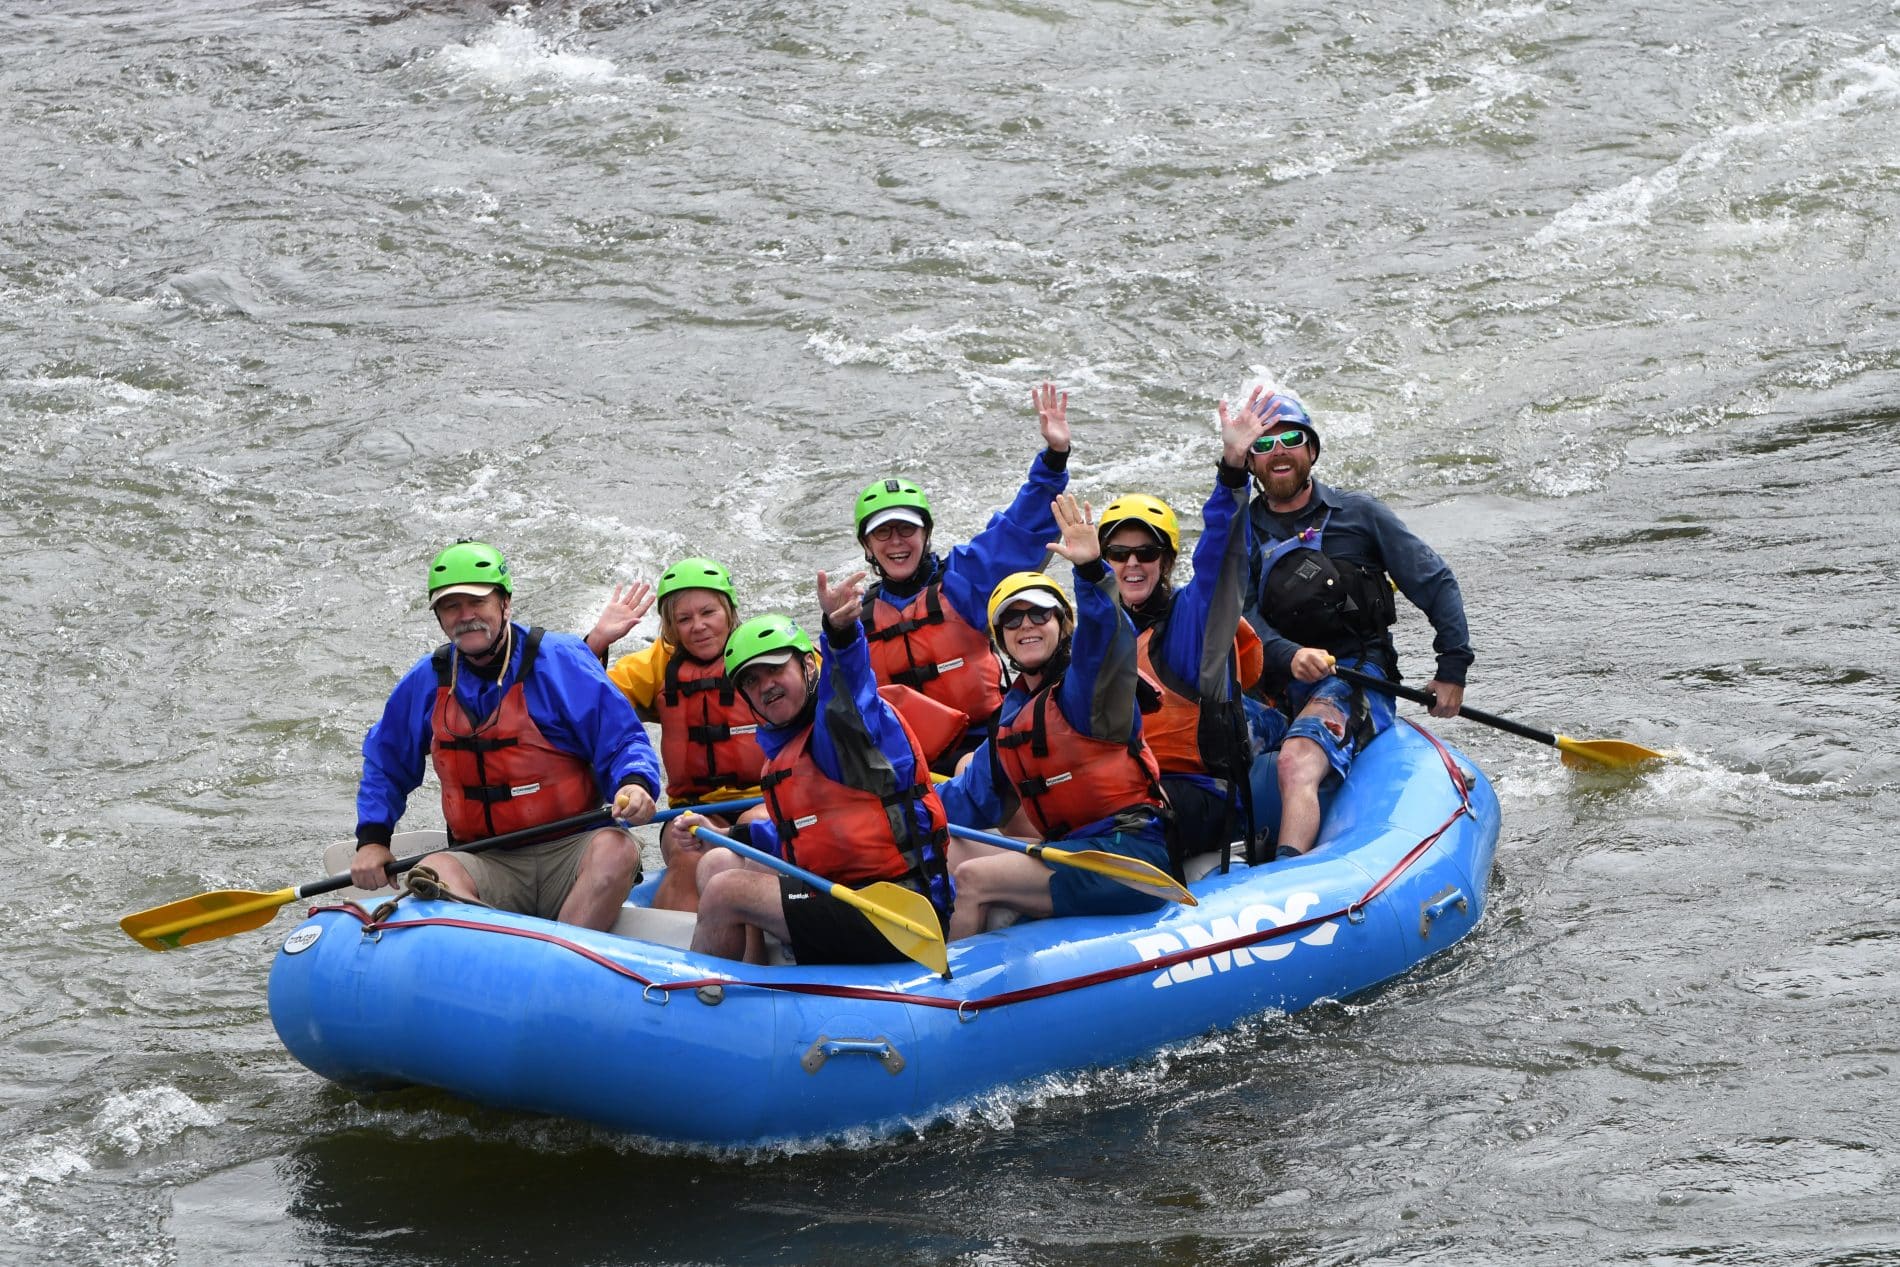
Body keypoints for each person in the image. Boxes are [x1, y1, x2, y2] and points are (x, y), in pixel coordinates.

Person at [349, 541, 661, 931]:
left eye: (477, 602)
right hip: (485, 858)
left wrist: (635, 784)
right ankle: (500, 953)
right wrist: (374, 839)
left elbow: (623, 741)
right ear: (440, 618)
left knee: (616, 850)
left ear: (505, 604)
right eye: (451, 607)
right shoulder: (427, 681)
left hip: (572, 851)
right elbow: (386, 762)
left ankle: (556, 962)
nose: (466, 616)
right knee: (432, 871)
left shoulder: (561, 661)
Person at [677, 573, 955, 966]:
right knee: (719, 860)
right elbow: (809, 834)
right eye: (752, 681)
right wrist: (728, 835)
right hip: (843, 897)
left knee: (726, 891)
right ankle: (748, 977)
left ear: (809, 666)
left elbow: (850, 686)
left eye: (775, 670)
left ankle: (695, 1004)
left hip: (899, 914)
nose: (766, 686)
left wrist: (840, 633)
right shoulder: (783, 749)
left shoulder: (846, 727)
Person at [1242, 388, 1474, 859]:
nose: (1277, 452)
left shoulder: (1359, 515)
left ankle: (1290, 874)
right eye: (1262, 446)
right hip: (1271, 680)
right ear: (1250, 465)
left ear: (1311, 451)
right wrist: (1289, 655)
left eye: (1289, 439)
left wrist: (1452, 669)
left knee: (1297, 759)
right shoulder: (1238, 532)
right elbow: (1237, 615)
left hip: (1356, 674)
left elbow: (1435, 582)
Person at [936, 494, 1171, 939]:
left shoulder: (1086, 691)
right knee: (952, 850)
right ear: (1001, 641)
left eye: (1039, 614)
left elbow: (1105, 638)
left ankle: (950, 993)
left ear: (1062, 625)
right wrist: (892, 813)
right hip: (1073, 853)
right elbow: (965, 802)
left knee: (973, 878)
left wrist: (1090, 571)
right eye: (1012, 619)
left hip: (1129, 855)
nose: (1026, 625)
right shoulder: (1010, 720)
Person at [1096, 390, 1274, 874]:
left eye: (1147, 553)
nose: (1132, 564)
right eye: (1118, 553)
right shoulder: (1088, 635)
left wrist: (1233, 469)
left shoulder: (1192, 622)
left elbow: (1221, 558)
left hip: (1197, 796)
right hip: (1120, 792)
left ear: (1167, 562)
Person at [853, 381, 1073, 769]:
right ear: (868, 546)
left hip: (984, 744)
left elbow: (1019, 531)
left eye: (907, 529)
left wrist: (1054, 459)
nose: (896, 542)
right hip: (905, 762)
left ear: (925, 534)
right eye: (882, 533)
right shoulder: (854, 620)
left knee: (967, 766)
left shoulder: (963, 581)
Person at [582, 558, 769, 912]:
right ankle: (677, 956)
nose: (698, 627)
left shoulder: (766, 650)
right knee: (690, 849)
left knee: (756, 827)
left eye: (708, 612)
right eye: (684, 619)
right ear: (670, 626)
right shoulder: (658, 664)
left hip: (766, 803)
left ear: (729, 611)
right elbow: (584, 699)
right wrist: (596, 643)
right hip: (693, 811)